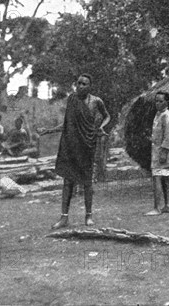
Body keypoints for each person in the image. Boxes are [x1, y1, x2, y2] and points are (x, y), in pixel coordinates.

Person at [38, 73, 110, 228]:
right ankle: (64, 217)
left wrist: (101, 127)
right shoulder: (72, 99)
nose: (80, 86)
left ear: (90, 87)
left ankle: (88, 216)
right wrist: (49, 130)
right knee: (67, 181)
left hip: (87, 145)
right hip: (71, 147)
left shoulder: (96, 101)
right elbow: (67, 124)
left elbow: (107, 116)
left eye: (84, 84)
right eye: (79, 83)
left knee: (87, 182)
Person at [145, 91, 169, 216]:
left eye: (161, 101)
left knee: (157, 178)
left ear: (167, 102)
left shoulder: (166, 115)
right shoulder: (159, 114)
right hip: (160, 151)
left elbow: (168, 135)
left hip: (163, 152)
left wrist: (164, 151)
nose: (158, 103)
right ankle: (167, 205)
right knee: (164, 179)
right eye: (156, 101)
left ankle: (157, 207)